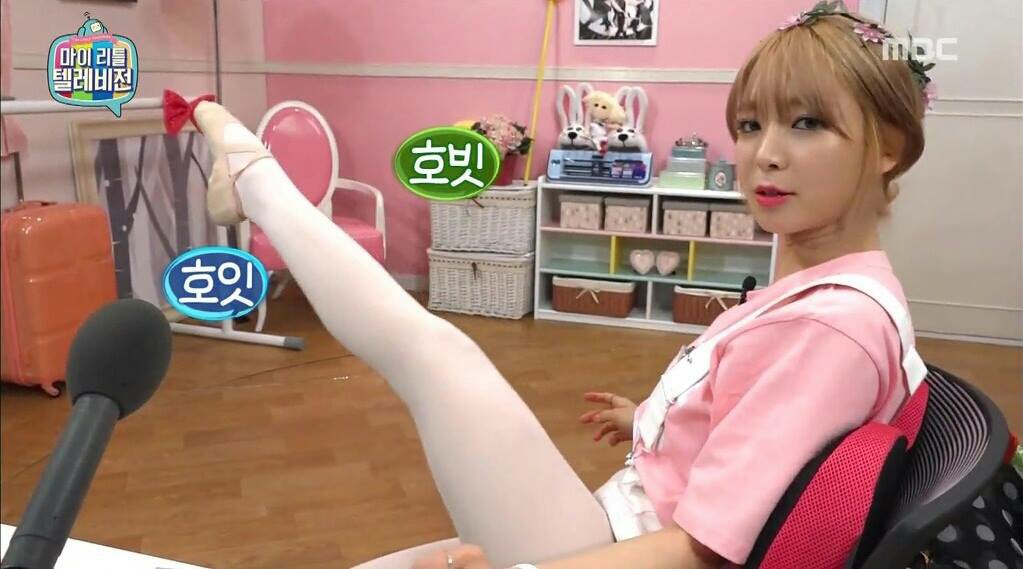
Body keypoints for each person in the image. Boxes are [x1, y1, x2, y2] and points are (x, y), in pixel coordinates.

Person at [183, 2, 933, 567]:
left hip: (618, 546)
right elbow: (766, 432)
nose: (763, 154)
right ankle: (255, 180)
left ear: (888, 147)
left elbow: (700, 551)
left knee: (433, 352)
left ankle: (256, 181)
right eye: (748, 125)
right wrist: (657, 419)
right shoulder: (839, 295)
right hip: (620, 518)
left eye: (806, 124)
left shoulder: (827, 329)